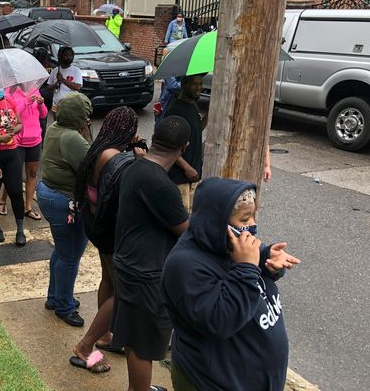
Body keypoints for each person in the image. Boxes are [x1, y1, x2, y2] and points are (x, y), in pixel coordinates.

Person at [162, 179, 300, 391]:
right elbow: (220, 320)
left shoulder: (230, 244)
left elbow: (254, 281)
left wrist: (267, 261)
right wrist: (247, 267)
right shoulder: (184, 265)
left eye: (254, 215)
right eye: (245, 218)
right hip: (215, 381)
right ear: (216, 222)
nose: (253, 225)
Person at [109, 115, 191, 391]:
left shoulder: (135, 167)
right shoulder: (162, 186)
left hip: (128, 262)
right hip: (146, 273)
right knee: (143, 343)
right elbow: (186, 230)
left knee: (134, 337)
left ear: (154, 138)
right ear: (184, 148)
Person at [69, 107, 143, 373]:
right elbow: (130, 187)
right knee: (122, 292)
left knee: (109, 280)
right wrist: (140, 159)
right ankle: (85, 346)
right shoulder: (115, 158)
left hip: (95, 224)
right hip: (111, 231)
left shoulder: (99, 149)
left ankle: (104, 335)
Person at [37, 92, 93, 327]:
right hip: (64, 200)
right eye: (86, 115)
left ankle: (56, 296)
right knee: (70, 256)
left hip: (48, 194)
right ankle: (64, 306)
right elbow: (92, 163)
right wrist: (86, 133)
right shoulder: (72, 138)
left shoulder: (55, 128)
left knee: (61, 251)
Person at [0, 85, 47, 221]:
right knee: (12, 175)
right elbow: (10, 115)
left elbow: (43, 114)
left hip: (35, 139)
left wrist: (41, 104)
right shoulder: (9, 92)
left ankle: (28, 207)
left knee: (32, 174)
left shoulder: (34, 89)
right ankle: (2, 200)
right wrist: (26, 103)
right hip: (18, 141)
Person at [0, 89, 25, 246]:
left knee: (15, 191)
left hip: (12, 152)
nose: (0, 91)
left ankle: (20, 229)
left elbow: (20, 124)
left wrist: (13, 130)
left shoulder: (9, 101)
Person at [162, 74, 205, 212]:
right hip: (180, 178)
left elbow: (197, 128)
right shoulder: (175, 110)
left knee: (193, 217)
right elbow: (169, 146)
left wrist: (211, 113)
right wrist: (187, 168)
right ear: (184, 84)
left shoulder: (193, 105)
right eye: (194, 84)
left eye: (200, 84)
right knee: (182, 220)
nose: (199, 88)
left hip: (194, 175)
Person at [46, 47, 83, 112]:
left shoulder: (76, 70)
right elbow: (48, 87)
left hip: (71, 105)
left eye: (71, 56)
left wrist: (63, 79)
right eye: (66, 55)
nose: (69, 57)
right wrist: (55, 85)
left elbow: (77, 87)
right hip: (56, 104)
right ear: (60, 56)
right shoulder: (55, 71)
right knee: (57, 122)